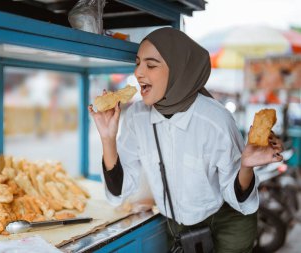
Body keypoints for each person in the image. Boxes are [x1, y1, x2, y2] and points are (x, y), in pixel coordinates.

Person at [88, 28, 284, 253]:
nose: (139, 72)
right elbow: (119, 191)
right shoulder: (136, 117)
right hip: (178, 225)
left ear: (179, 70)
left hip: (228, 219)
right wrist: (107, 138)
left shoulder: (215, 119)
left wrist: (246, 166)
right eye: (137, 63)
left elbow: (235, 193)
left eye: (151, 65)